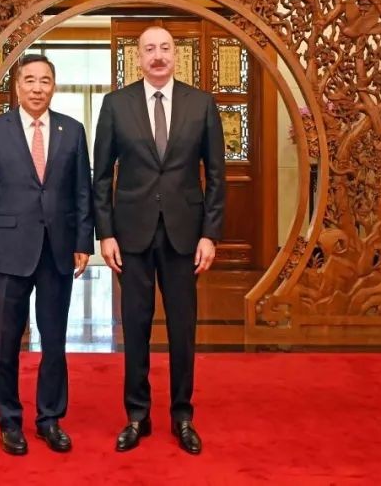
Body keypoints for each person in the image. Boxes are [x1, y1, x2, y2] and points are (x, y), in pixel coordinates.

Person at [92, 26, 225, 455]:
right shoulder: (116, 105)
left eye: (165, 48)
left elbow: (216, 176)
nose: (158, 56)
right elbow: (100, 177)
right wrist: (105, 233)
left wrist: (210, 234)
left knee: (183, 330)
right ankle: (137, 415)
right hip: (131, 234)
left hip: (185, 235)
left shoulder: (201, 104)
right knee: (135, 327)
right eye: (149, 49)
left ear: (176, 55)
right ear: (138, 58)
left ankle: (182, 415)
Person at [0, 53, 94, 456]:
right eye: (30, 80)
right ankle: (9, 420)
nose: (37, 88)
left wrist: (83, 241)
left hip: (58, 249)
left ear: (53, 86)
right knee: (5, 340)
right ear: (17, 85)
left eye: (45, 81)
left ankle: (50, 418)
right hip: (9, 250)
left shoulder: (71, 131)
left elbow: (82, 191)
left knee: (55, 340)